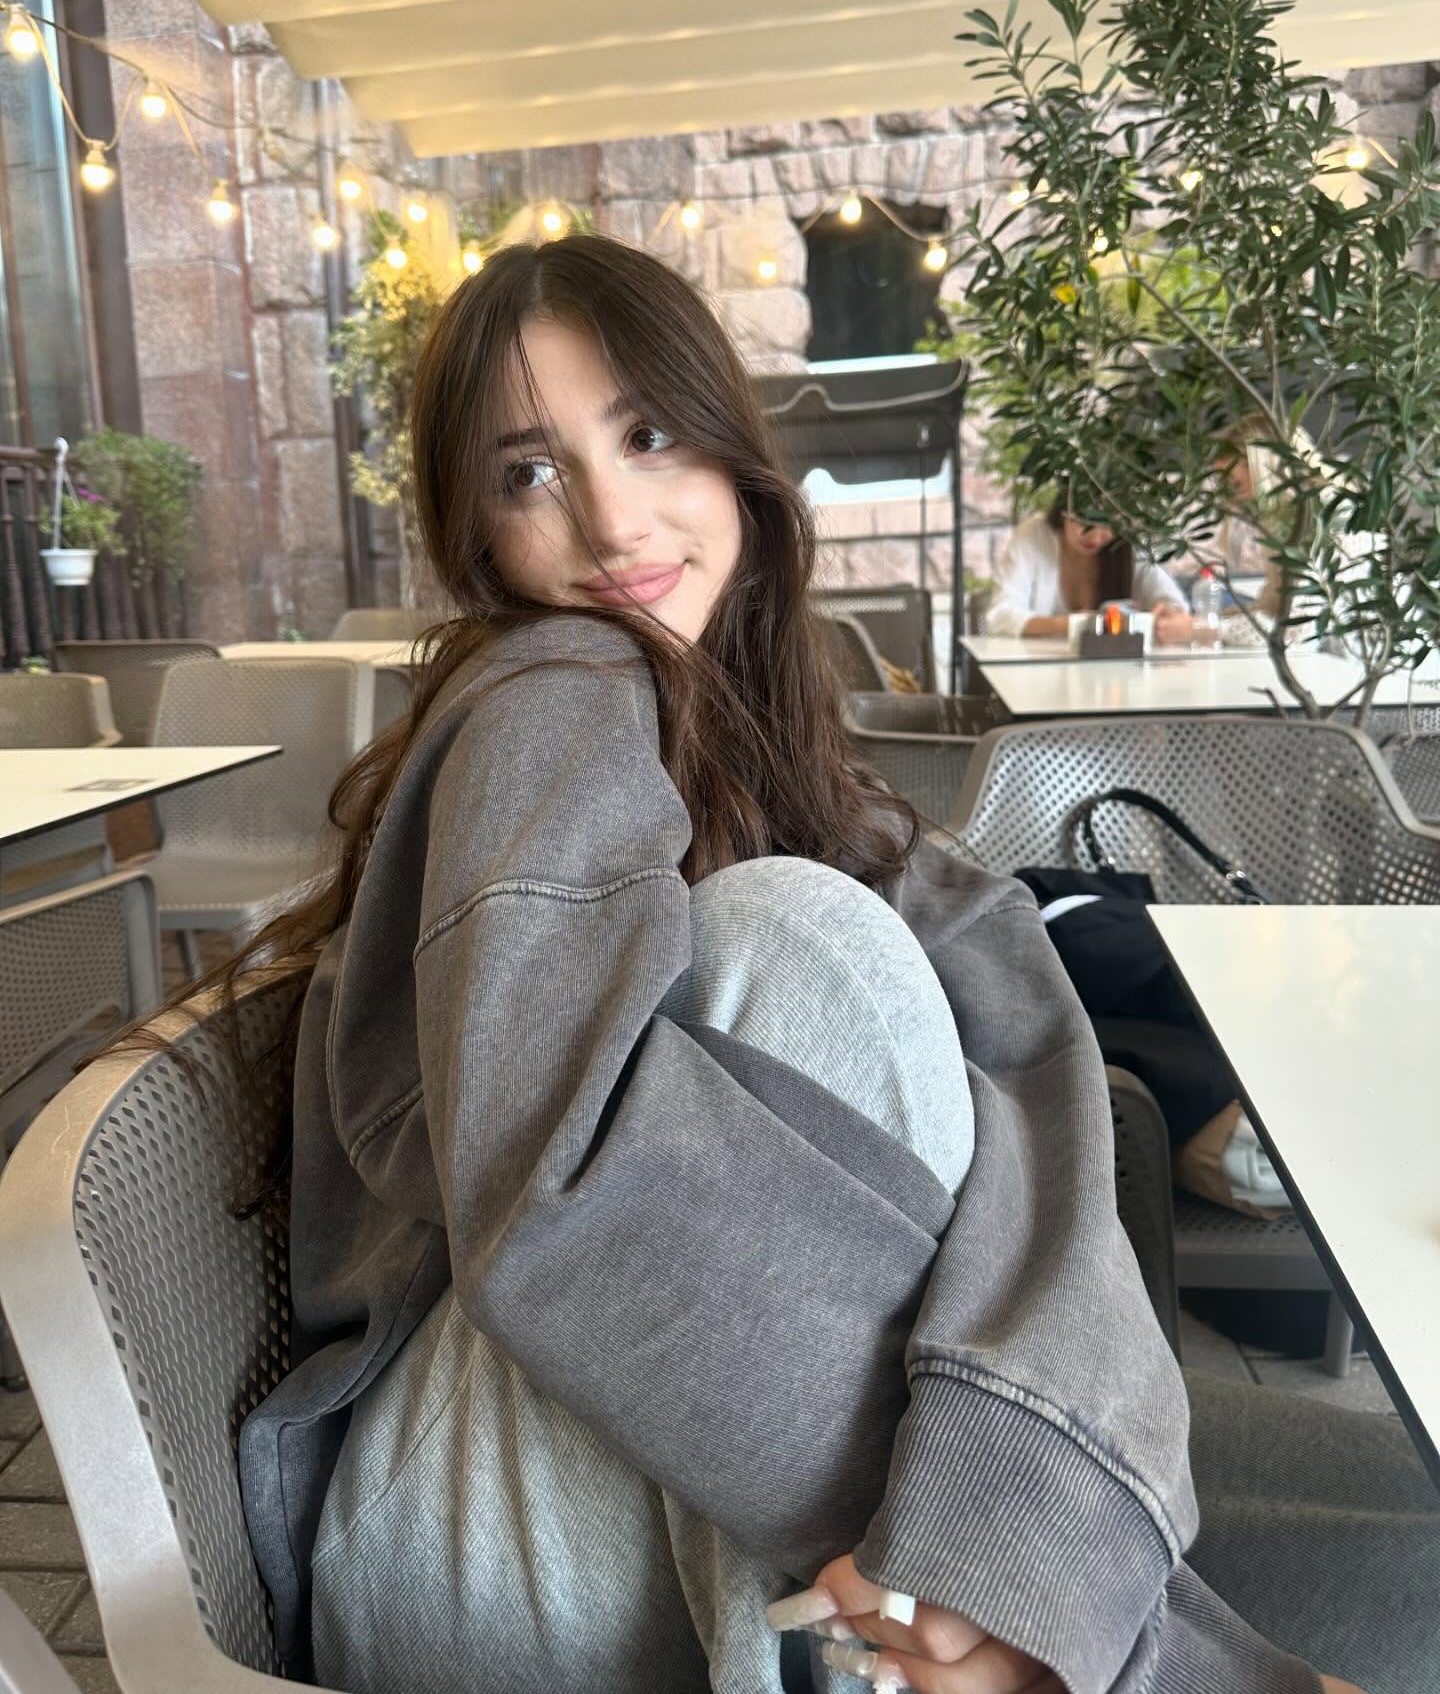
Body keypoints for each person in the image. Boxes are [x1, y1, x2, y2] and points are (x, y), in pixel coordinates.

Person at [147, 237, 1430, 1694]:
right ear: (477, 534)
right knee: (791, 939)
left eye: (647, 435)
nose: (610, 517)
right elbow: (568, 1187)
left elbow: (1018, 1030)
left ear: (731, 450)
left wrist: (1032, 1509)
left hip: (594, 1485)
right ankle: (970, 1606)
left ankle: (981, 1581)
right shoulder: (551, 693)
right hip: (439, 1539)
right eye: (530, 473)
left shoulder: (751, 729)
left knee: (891, 964)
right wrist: (1134, 1644)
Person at [984, 498, 1192, 642]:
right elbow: (1000, 615)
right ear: (1064, 511)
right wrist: (1077, 624)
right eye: (1084, 521)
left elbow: (1173, 604)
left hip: (1118, 679)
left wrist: (1173, 620)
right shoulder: (1034, 535)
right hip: (1037, 677)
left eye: (1108, 524)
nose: (1095, 536)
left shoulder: (1129, 543)